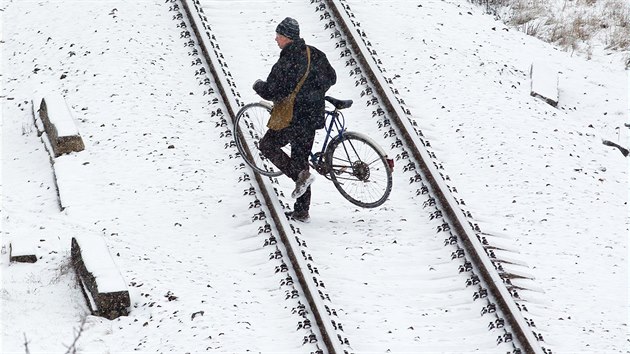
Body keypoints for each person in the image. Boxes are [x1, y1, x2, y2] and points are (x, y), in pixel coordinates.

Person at [253, 17, 337, 222]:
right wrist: (313, 92)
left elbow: (273, 91)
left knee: (267, 145)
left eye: (278, 36)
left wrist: (258, 86)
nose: (276, 39)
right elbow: (332, 77)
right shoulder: (314, 53)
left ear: (287, 38)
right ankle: (301, 211)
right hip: (312, 116)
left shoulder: (286, 61)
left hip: (292, 118)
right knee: (300, 159)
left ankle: (301, 177)